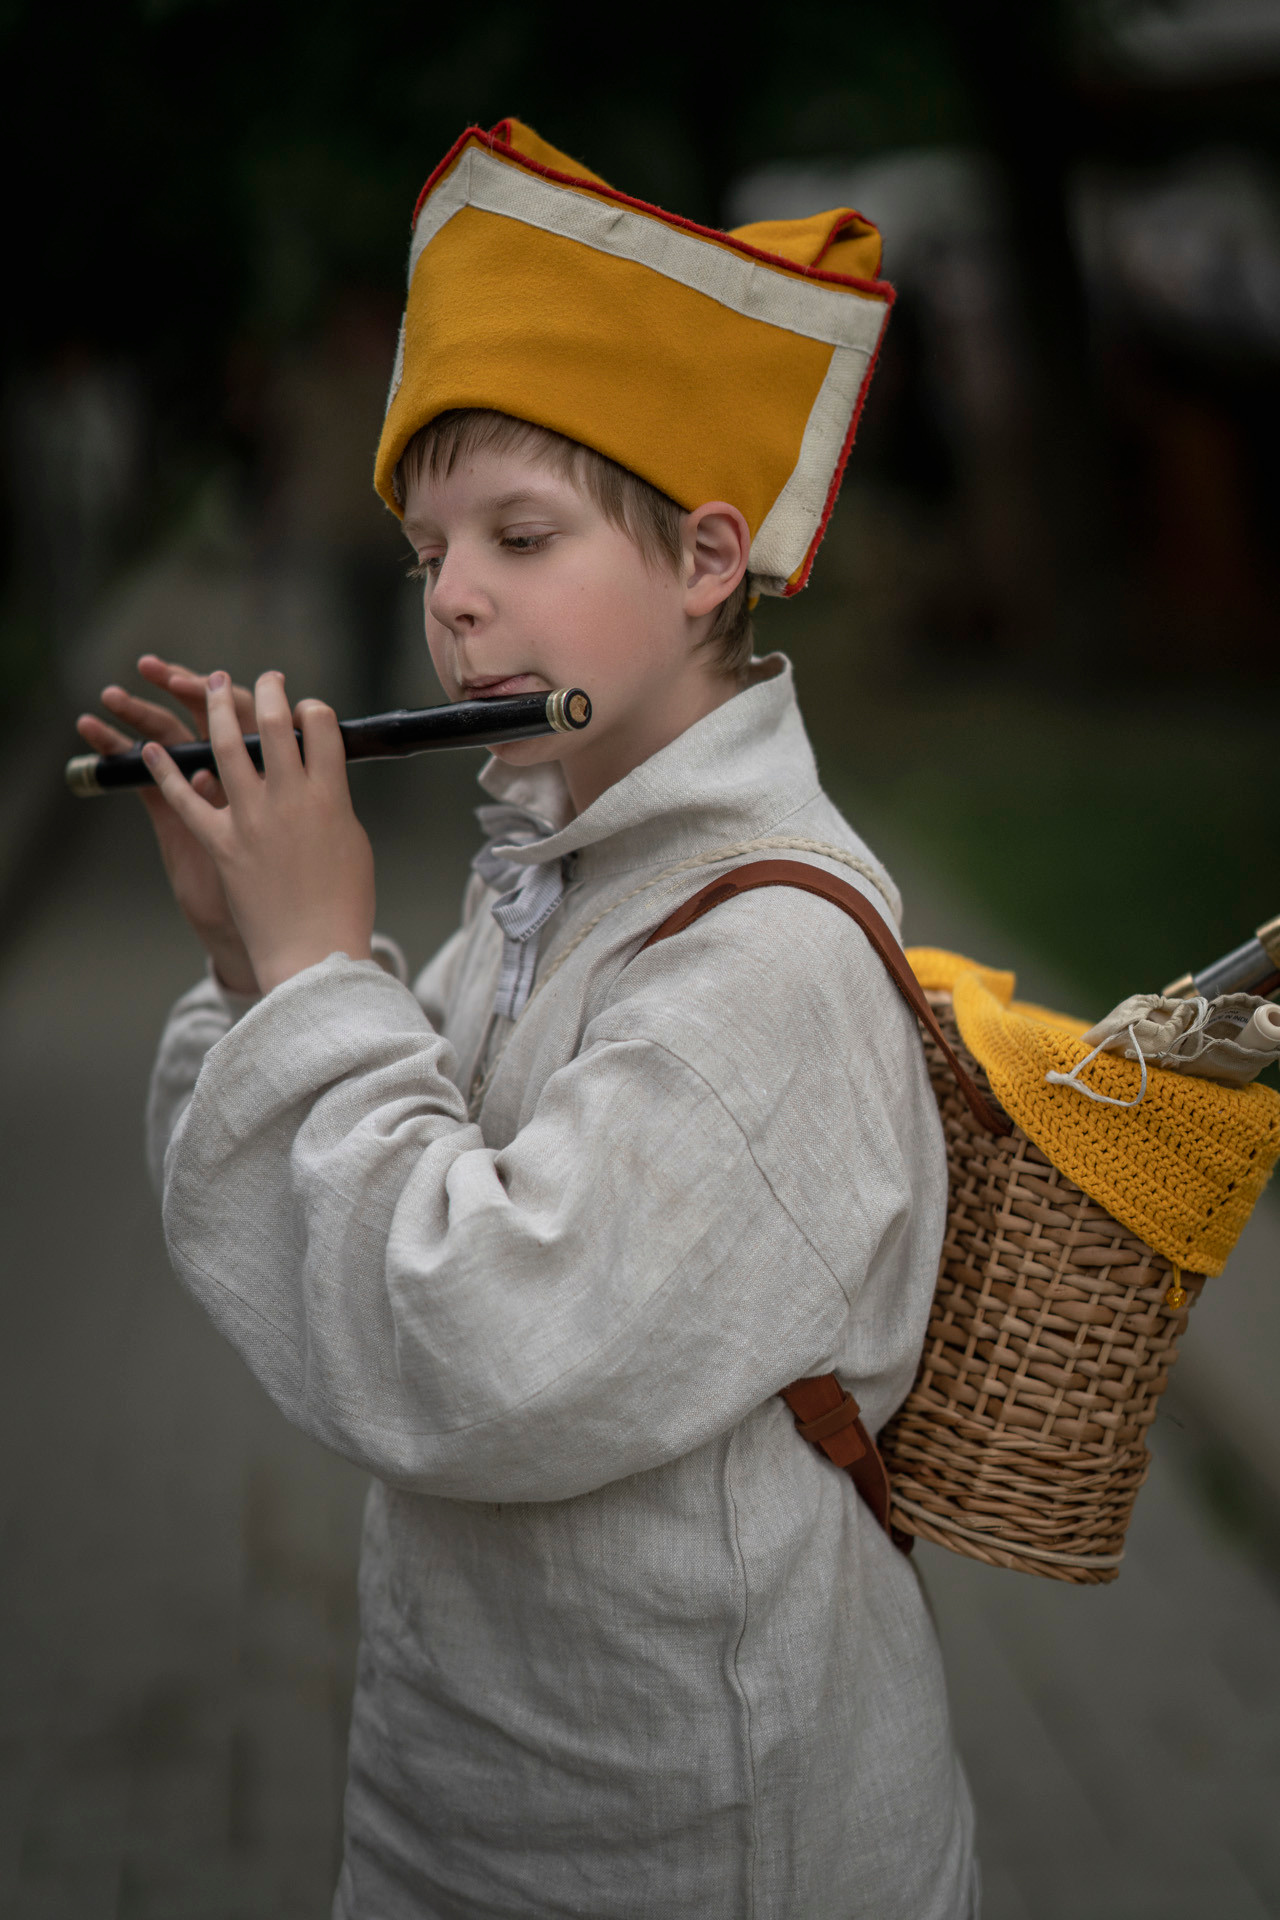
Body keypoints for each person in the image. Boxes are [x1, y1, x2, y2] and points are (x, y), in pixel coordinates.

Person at [79, 121, 977, 1919]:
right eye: (426, 551)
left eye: (520, 534)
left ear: (711, 559)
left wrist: (326, 972)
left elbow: (474, 1346)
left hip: (703, 1843)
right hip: (479, 1795)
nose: (455, 596)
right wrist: (254, 963)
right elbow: (329, 1225)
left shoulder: (773, 961)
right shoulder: (555, 872)